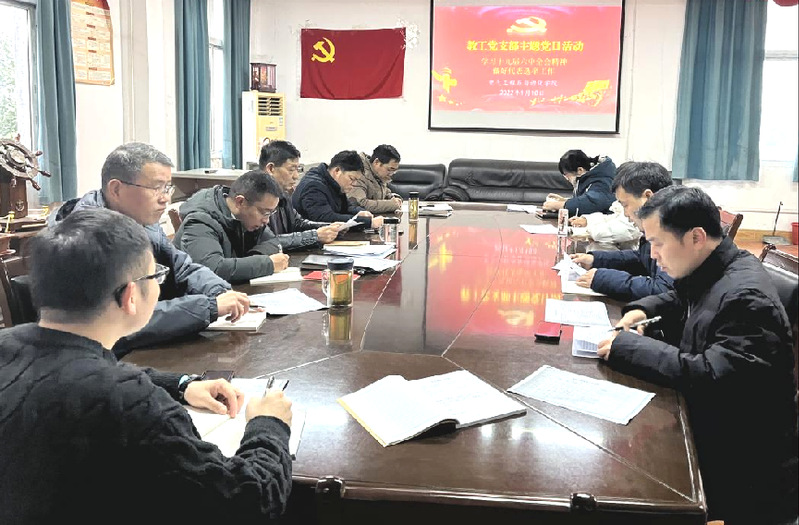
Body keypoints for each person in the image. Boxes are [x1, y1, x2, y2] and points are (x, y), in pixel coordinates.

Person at [0, 208, 294, 523]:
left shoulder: (10, 344)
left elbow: (73, 373)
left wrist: (182, 385)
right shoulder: (130, 402)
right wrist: (269, 424)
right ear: (130, 296)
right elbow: (250, 500)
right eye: (156, 276)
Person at [597, 186, 798, 525]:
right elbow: (683, 299)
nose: (653, 255)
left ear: (696, 237)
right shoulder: (717, 266)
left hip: (743, 471)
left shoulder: (747, 298)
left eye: (658, 243)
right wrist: (641, 312)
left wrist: (629, 347)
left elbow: (711, 376)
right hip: (712, 430)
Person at [50, 142, 251, 357]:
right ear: (116, 189)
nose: (166, 198)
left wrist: (219, 291)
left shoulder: (141, 221)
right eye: (156, 188)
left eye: (167, 188)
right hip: (100, 359)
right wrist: (209, 307)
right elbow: (120, 320)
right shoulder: (85, 242)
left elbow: (181, 267)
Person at [570, 162, 674, 300]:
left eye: (625, 205)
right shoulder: (659, 227)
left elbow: (664, 289)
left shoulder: (676, 231)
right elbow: (642, 259)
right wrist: (595, 259)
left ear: (648, 197)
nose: (625, 214)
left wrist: (603, 279)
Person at [173, 170, 291, 283]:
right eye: (265, 212)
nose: (267, 220)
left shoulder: (248, 219)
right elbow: (212, 269)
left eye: (270, 213)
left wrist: (250, 262)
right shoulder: (200, 220)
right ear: (240, 202)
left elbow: (272, 241)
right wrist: (266, 264)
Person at [258, 140, 342, 250]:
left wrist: (328, 227)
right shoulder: (254, 197)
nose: (296, 176)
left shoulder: (283, 193)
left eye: (297, 170)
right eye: (291, 170)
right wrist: (315, 236)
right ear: (271, 168)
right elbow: (267, 241)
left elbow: (298, 223)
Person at [292, 150, 384, 230]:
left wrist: (359, 212)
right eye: (352, 179)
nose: (354, 184)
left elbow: (346, 206)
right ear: (337, 171)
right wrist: (367, 222)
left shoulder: (333, 183)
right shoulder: (313, 186)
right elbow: (325, 219)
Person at [542, 149, 615, 216]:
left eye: (567, 175)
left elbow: (592, 203)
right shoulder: (590, 176)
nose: (567, 179)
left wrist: (559, 205)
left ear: (580, 170)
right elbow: (586, 198)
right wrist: (565, 201)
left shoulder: (602, 179)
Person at [347, 144, 403, 213]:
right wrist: (392, 204)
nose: (391, 174)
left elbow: (383, 193)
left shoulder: (377, 174)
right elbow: (360, 204)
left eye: (394, 171)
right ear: (377, 162)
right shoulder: (358, 174)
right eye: (390, 169)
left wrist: (393, 197)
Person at [567, 200, 641, 251]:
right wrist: (587, 220)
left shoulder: (639, 211)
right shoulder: (629, 200)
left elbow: (624, 229)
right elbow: (614, 218)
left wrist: (586, 232)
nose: (626, 214)